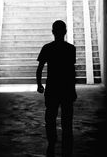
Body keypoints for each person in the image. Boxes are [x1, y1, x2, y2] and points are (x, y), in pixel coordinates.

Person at [36, 20, 77, 157]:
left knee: (50, 117)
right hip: (66, 88)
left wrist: (39, 84)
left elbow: (40, 68)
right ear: (65, 32)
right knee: (67, 119)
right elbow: (71, 71)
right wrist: (73, 89)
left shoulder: (47, 48)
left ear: (53, 32)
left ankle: (52, 141)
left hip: (52, 88)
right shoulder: (71, 49)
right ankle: (66, 144)